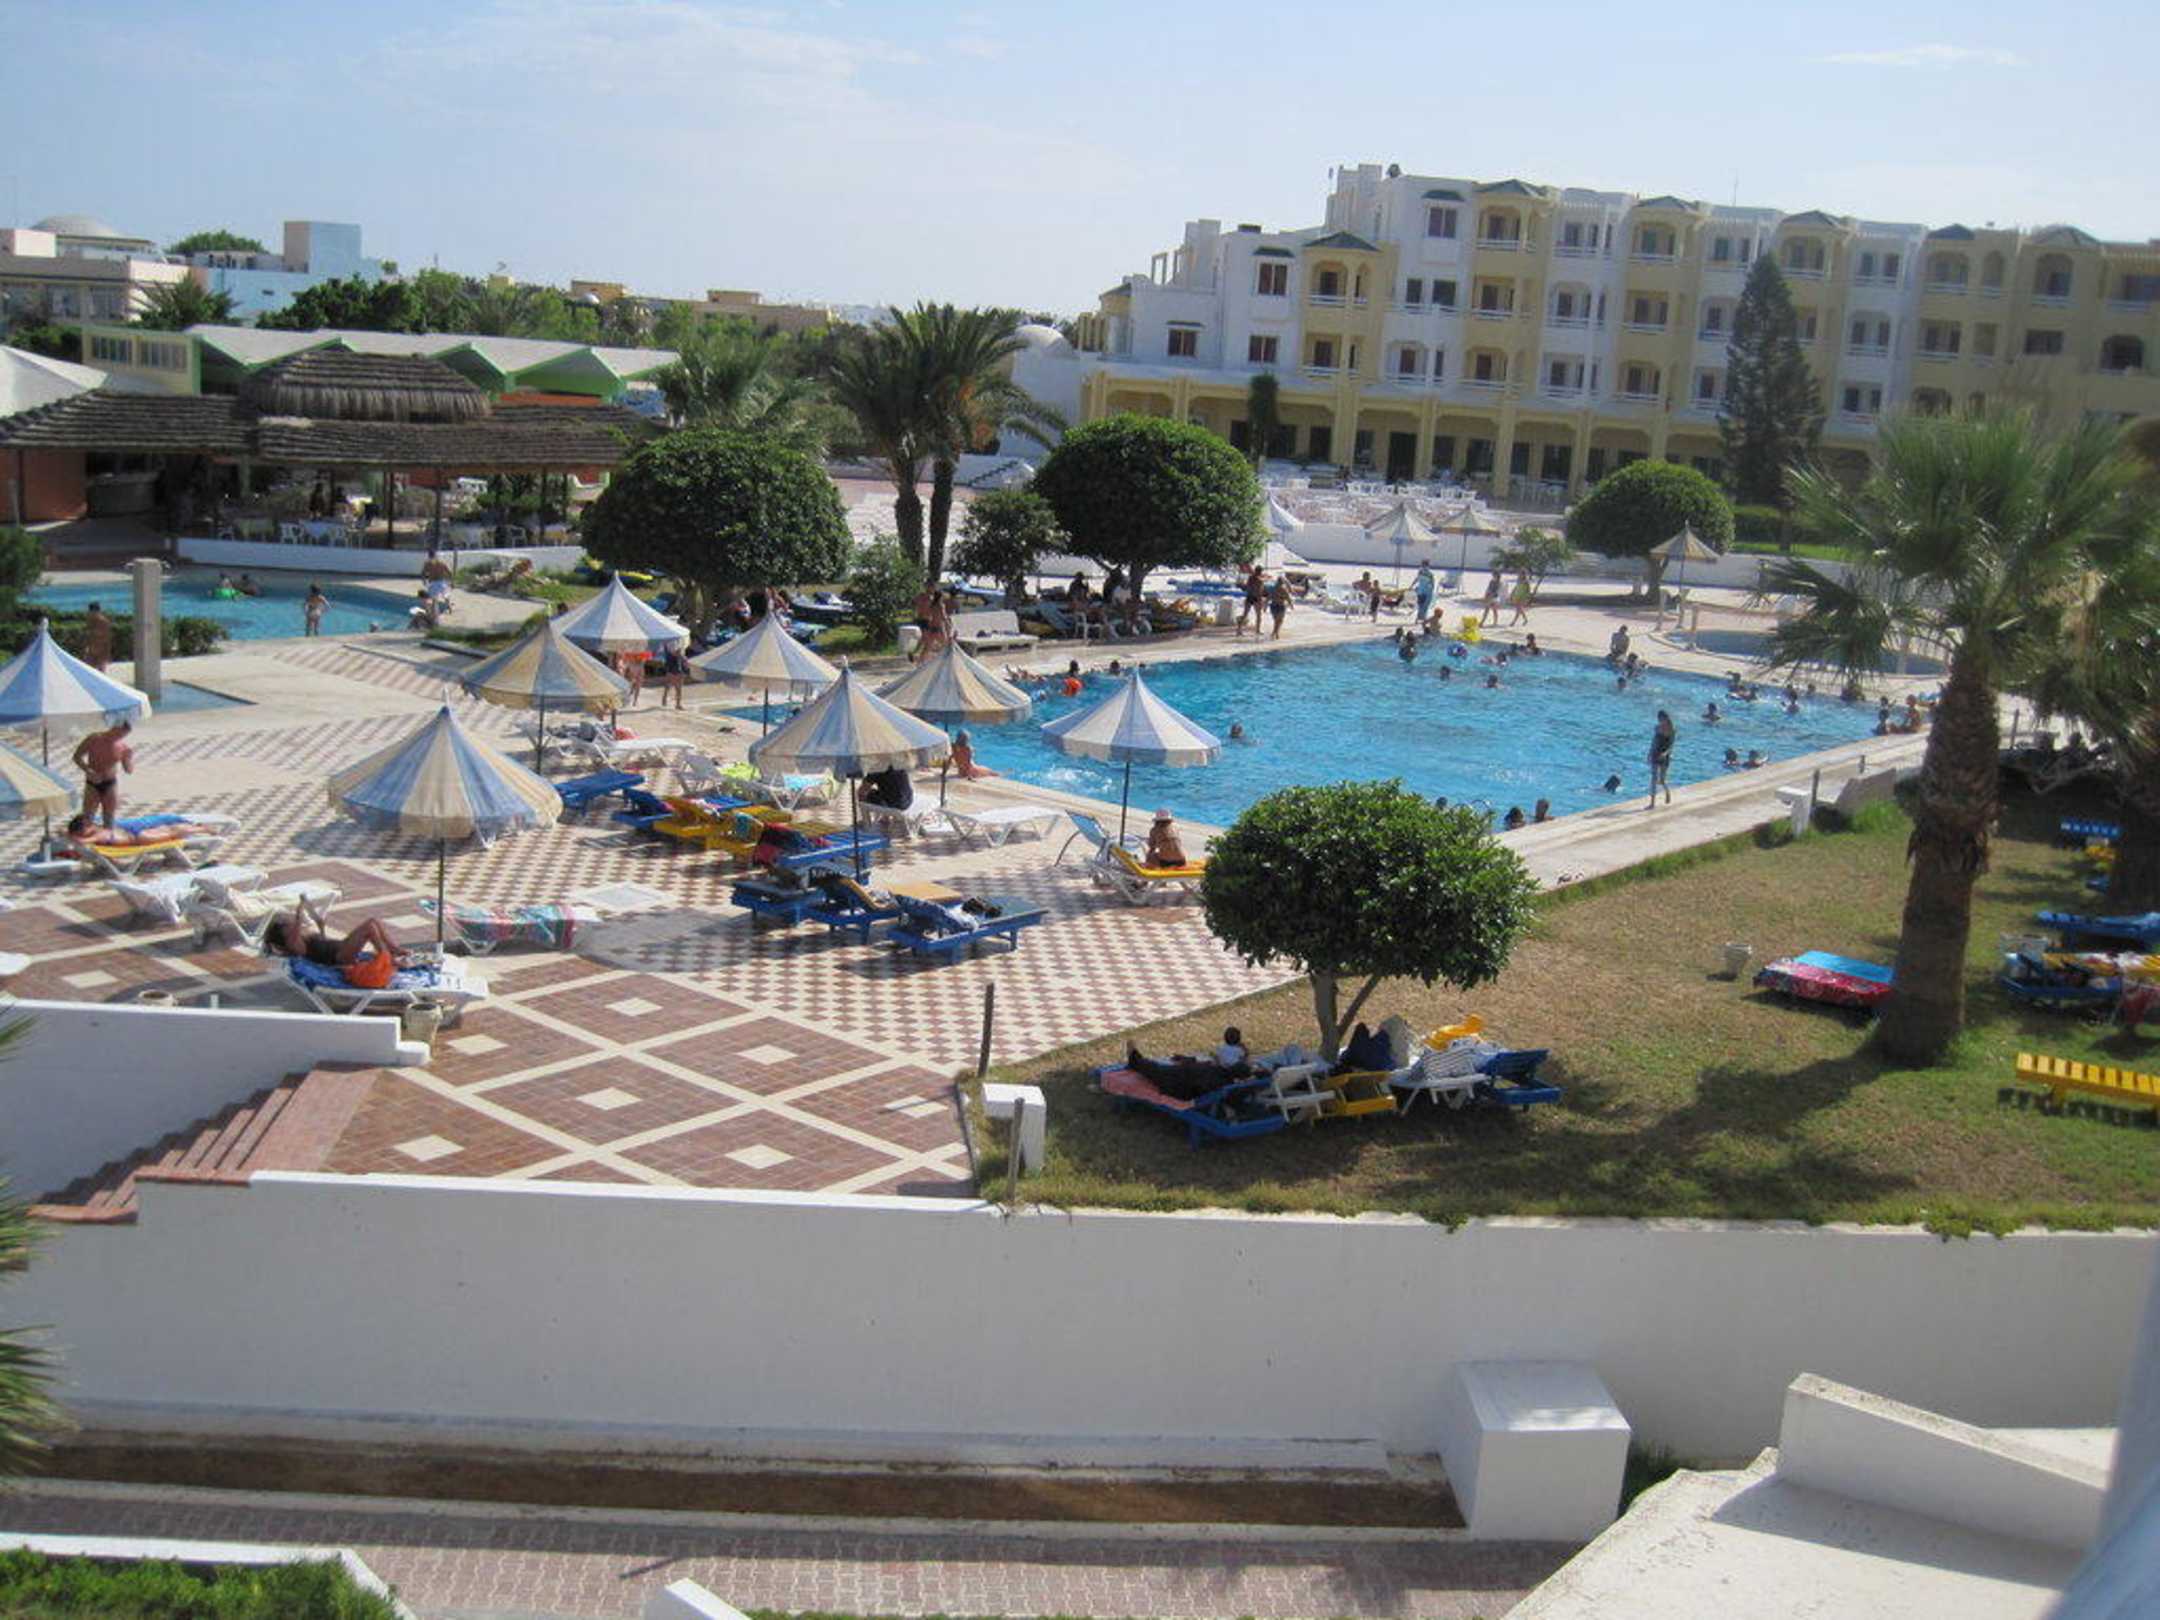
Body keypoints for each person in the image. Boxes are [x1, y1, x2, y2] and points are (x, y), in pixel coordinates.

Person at [270, 906, 415, 984]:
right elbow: (298, 942)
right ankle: (388, 958)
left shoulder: (303, 937)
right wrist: (298, 917)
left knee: (373, 921)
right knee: (369, 927)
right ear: (284, 935)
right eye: (286, 926)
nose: (290, 925)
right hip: (338, 957)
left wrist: (321, 928)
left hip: (339, 948)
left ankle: (394, 949)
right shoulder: (294, 945)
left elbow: (321, 944)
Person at [71, 720, 133, 829]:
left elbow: (129, 770)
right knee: (88, 817)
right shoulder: (94, 739)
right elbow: (77, 756)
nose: (120, 737)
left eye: (123, 736)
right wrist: (87, 770)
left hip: (110, 783)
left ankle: (108, 837)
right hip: (92, 783)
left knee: (109, 818)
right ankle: (86, 835)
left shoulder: (122, 747)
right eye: (119, 734)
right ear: (114, 728)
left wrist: (128, 759)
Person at [1646, 709, 1676, 810]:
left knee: (1662, 780)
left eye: (1661, 719)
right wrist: (1649, 753)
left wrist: (1665, 754)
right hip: (1655, 754)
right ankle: (1652, 803)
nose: (1660, 721)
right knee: (1653, 779)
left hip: (1665, 756)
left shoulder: (1672, 730)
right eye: (1659, 719)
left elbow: (1671, 746)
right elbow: (1654, 742)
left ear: (1666, 719)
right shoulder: (1657, 728)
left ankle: (1667, 792)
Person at [654, 643, 688, 709]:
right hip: (672, 672)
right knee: (673, 688)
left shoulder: (674, 652)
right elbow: (677, 656)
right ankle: (671, 702)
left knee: (675, 688)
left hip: (676, 671)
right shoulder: (670, 652)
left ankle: (675, 703)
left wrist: (684, 660)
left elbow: (683, 661)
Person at [81, 601, 113, 671]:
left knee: (100, 671)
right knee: (89, 670)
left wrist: (107, 654)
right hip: (91, 651)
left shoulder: (104, 622)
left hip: (101, 651)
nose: (91, 613)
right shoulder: (90, 621)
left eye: (93, 612)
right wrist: (86, 649)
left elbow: (107, 639)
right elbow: (88, 636)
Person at [1238, 565, 1265, 637]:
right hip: (1256, 598)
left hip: (1249, 597)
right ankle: (1257, 630)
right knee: (1259, 615)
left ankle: (1239, 630)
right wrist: (1261, 600)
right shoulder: (1260, 581)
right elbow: (1260, 591)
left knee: (1245, 614)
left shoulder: (1250, 578)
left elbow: (1247, 588)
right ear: (1260, 572)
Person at [1267, 575, 1291, 639]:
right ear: (1282, 582)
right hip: (1281, 606)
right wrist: (1291, 605)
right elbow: (1288, 598)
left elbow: (1268, 597)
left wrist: (1265, 606)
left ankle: (1274, 633)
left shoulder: (1273, 589)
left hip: (1273, 606)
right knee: (1279, 621)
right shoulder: (1284, 590)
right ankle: (1276, 633)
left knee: (1276, 621)